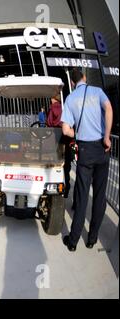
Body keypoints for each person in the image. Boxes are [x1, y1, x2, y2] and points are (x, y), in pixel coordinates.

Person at [61, 68, 113, 251]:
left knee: (82, 196)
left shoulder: (70, 99)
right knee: (100, 196)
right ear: (84, 77)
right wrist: (106, 136)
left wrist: (79, 133)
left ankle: (73, 241)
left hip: (84, 149)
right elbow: (108, 108)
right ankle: (92, 239)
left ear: (73, 83)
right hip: (102, 148)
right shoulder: (97, 91)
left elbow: (66, 130)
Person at [46, 95, 72, 198]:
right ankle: (66, 190)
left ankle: (54, 188)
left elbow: (49, 122)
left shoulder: (53, 108)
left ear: (53, 99)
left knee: (55, 166)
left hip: (55, 140)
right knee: (66, 167)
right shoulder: (64, 107)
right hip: (66, 140)